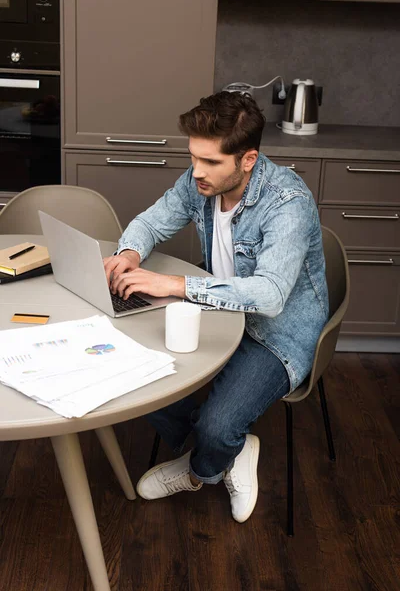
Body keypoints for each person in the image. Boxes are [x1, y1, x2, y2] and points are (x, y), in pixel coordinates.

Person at [103, 91, 328, 523]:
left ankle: (200, 468)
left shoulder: (288, 204)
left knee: (217, 427)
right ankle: (233, 449)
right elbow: (151, 221)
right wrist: (129, 251)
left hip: (277, 332)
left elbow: (269, 295)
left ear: (248, 160)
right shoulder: (199, 182)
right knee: (132, 374)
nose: (196, 173)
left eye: (210, 163)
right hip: (219, 311)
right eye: (193, 158)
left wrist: (174, 284)